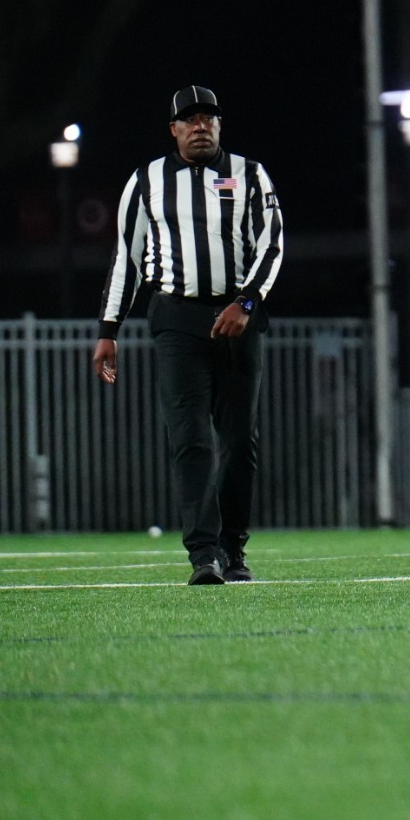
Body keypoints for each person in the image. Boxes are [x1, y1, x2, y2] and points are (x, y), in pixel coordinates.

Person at [92, 86, 284, 585]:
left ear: (220, 126)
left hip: (238, 320)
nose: (201, 126)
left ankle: (233, 547)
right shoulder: (147, 180)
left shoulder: (250, 174)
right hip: (177, 318)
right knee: (190, 437)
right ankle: (204, 553)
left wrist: (245, 302)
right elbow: (126, 259)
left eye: (209, 118)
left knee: (240, 440)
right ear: (173, 129)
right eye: (189, 119)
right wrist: (109, 329)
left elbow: (272, 243)